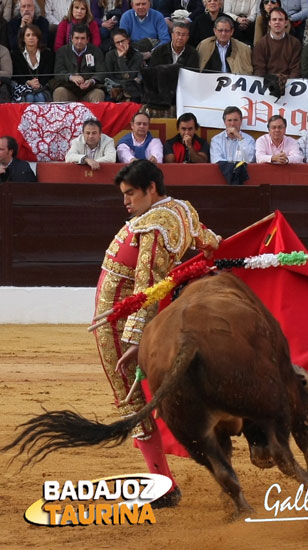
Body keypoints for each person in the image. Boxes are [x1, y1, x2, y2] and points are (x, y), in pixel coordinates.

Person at [93, 159, 220, 508]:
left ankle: (162, 486)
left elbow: (146, 287)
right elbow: (208, 241)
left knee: (131, 400)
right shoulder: (181, 209)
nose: (126, 202)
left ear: (151, 188)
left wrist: (134, 341)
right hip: (129, 318)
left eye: (131, 193)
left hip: (120, 325)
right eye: (123, 194)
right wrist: (207, 255)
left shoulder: (154, 225)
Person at [52, 23, 106, 102]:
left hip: (89, 90)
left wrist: (91, 81)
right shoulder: (62, 51)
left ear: (87, 39)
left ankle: (94, 115)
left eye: (83, 38)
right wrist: (71, 77)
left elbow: (102, 72)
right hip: (69, 89)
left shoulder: (96, 51)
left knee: (99, 93)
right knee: (59, 92)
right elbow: (58, 72)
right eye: (76, 38)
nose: (79, 41)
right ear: (71, 38)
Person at [252, 7, 301, 79]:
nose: (277, 22)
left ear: (286, 23)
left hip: (289, 83)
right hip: (267, 84)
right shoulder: (260, 44)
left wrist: (289, 84)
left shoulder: (295, 43)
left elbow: (296, 69)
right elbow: (259, 69)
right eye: (274, 19)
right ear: (269, 23)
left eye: (280, 19)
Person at [11, 24, 54, 102]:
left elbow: (48, 73)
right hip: (23, 86)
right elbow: (17, 74)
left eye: (34, 35)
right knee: (29, 97)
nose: (31, 37)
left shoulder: (47, 54)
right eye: (28, 35)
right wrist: (28, 82)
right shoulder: (16, 55)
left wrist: (38, 84)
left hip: (42, 87)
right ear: (23, 38)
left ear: (38, 38)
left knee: (40, 97)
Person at [105, 27, 143, 102]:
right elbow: (109, 75)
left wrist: (121, 59)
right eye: (117, 42)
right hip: (115, 85)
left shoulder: (137, 55)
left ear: (128, 40)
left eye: (123, 41)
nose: (121, 44)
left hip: (132, 87)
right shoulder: (109, 55)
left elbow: (129, 76)